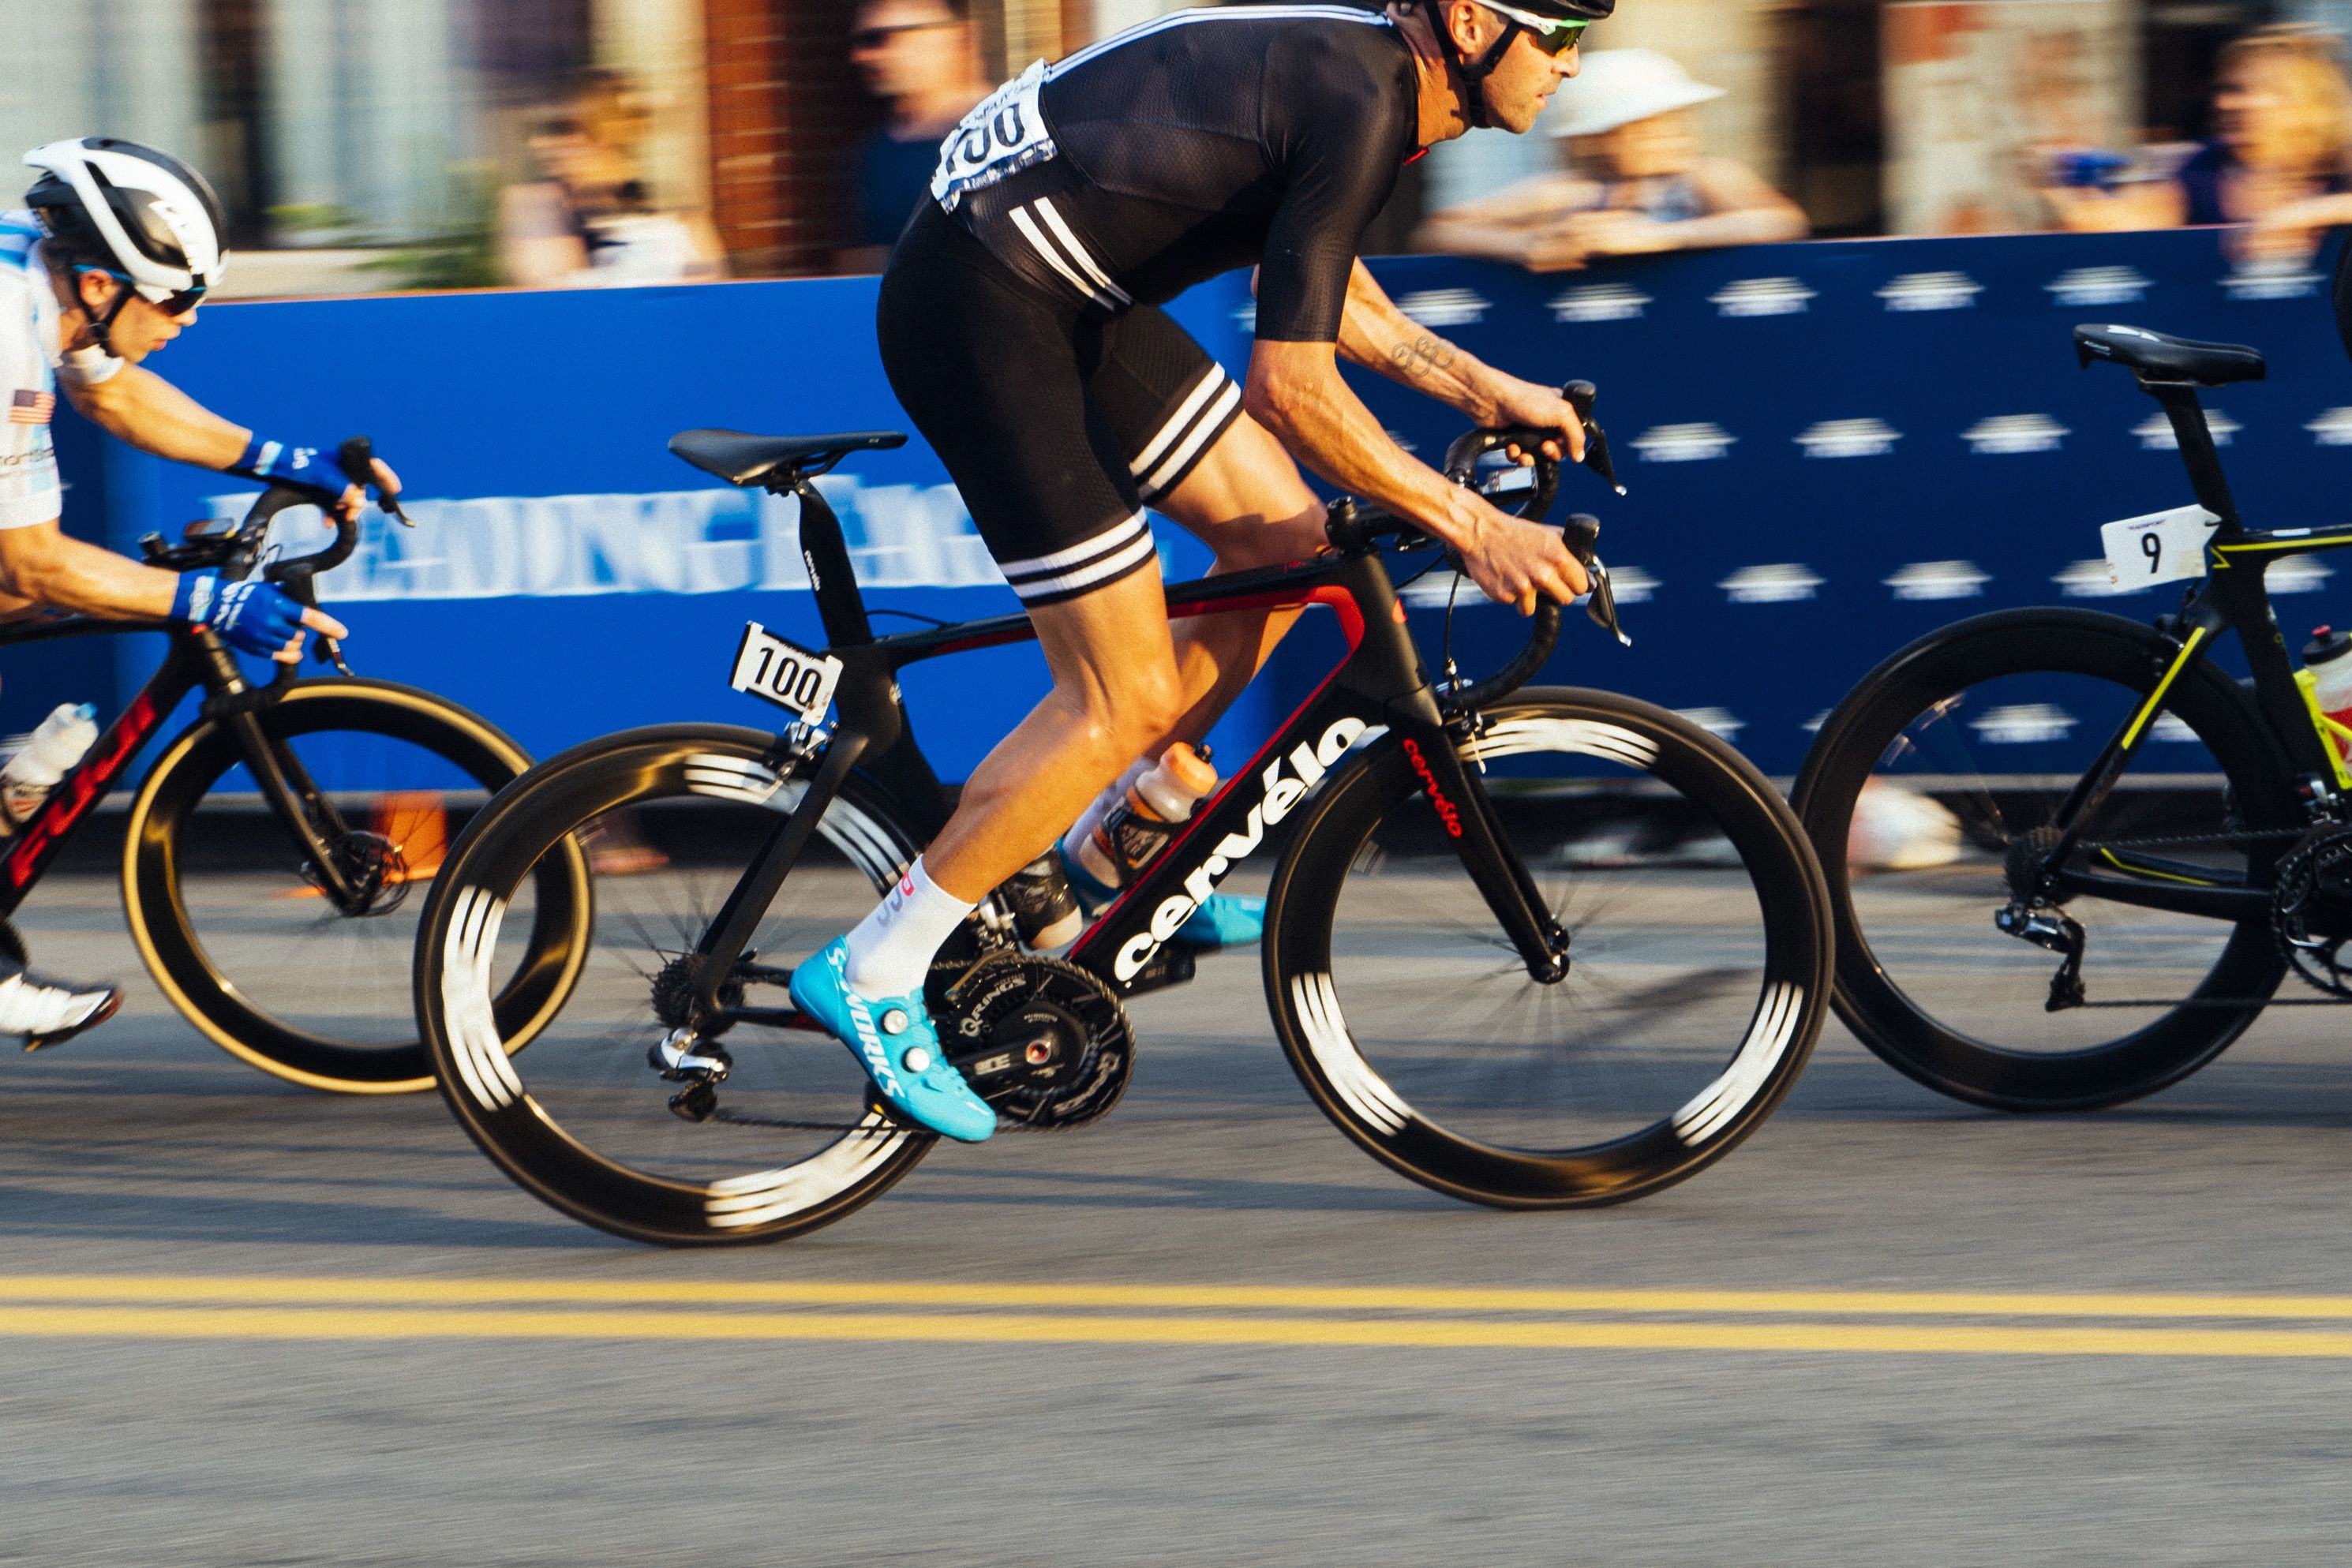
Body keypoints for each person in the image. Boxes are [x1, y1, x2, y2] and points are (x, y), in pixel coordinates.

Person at [787, 0, 1604, 1143]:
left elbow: (1338, 297)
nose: (1571, 67)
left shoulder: (1365, 82)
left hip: (1061, 290)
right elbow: (1293, 388)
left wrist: (1491, 391)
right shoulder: (1365, 92)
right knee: (1116, 694)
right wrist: (1476, 525)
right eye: (1558, 38)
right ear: (1472, 24)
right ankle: (879, 966)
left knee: (1290, 543)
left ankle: (1123, 832)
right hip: (984, 309)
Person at [0, 137, 388, 1048]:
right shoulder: (9, 331)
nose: (191, 317)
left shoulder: (49, 277)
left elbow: (116, 397)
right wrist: (209, 603)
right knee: (38, 583)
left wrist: (289, 461)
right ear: (102, 286)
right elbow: (32, 559)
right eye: (178, 297)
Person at [1413, 47, 1804, 269]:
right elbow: (1438, 231)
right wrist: (1527, 244)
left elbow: (1780, 221)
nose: (1679, 136)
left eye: (1681, 122)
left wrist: (1661, 237)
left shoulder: (1702, 178)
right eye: (1653, 126)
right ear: (1595, 140)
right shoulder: (1568, 192)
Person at [2046, 25, 2352, 268]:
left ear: (2306, 102)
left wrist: (2303, 215)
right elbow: (2149, 212)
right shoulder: (2206, 166)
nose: (2227, 103)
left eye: (2256, 90)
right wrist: (2087, 212)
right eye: (2228, 90)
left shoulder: (2339, 161)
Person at [497, 70, 727, 289]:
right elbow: (555, 298)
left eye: (562, 129)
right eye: (543, 132)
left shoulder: (667, 204)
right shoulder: (541, 205)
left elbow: (711, 288)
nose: (541, 145)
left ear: (603, 135)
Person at [841, 0, 994, 272]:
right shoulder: (876, 155)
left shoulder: (1003, 138)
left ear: (954, 37)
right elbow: (867, 273)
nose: (862, 57)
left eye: (879, 39)